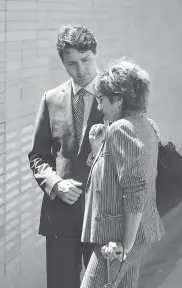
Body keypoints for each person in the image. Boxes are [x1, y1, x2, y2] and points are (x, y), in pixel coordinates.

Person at [28, 25, 104, 288]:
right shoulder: (50, 99)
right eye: (71, 64)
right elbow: (38, 155)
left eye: (86, 60)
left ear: (95, 53)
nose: (81, 70)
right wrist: (56, 184)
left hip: (104, 214)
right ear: (62, 62)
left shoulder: (118, 97)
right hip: (61, 213)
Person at [80, 59, 165, 288]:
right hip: (130, 233)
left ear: (118, 99)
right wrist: (98, 150)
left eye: (101, 100)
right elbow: (115, 177)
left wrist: (124, 246)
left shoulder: (121, 128)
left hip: (117, 239)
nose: (99, 107)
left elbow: (135, 187)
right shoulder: (143, 125)